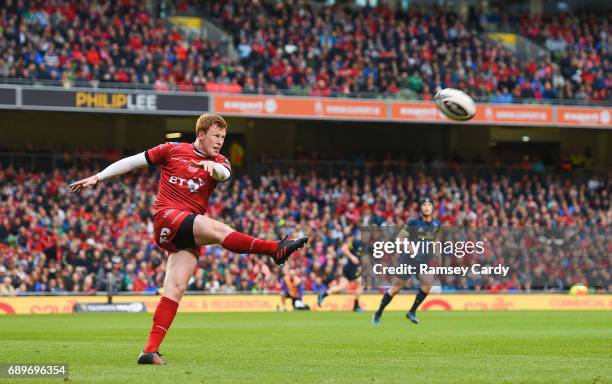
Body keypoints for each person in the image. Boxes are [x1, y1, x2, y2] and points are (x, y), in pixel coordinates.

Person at [69, 113, 309, 365]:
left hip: (186, 230)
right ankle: (274, 249)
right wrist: (99, 177)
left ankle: (149, 351)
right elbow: (132, 161)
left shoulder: (220, 161)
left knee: (175, 289)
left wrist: (213, 167)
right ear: (201, 134)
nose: (219, 142)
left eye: (223, 137)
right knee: (218, 231)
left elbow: (223, 174)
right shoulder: (171, 150)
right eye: (216, 136)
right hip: (168, 217)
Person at [372, 197, 440, 325]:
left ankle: (412, 312)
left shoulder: (436, 224)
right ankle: (378, 312)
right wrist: (409, 248)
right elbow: (400, 238)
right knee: (395, 289)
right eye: (424, 204)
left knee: (428, 285)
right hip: (408, 259)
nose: (427, 207)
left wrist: (437, 253)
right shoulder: (413, 223)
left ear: (432, 208)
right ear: (420, 208)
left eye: (429, 204)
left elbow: (435, 240)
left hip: (423, 261)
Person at [317, 234, 364, 312]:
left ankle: (323, 294)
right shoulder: (356, 242)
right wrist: (352, 257)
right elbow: (344, 248)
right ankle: (356, 306)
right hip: (350, 267)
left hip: (350, 268)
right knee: (362, 283)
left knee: (341, 286)